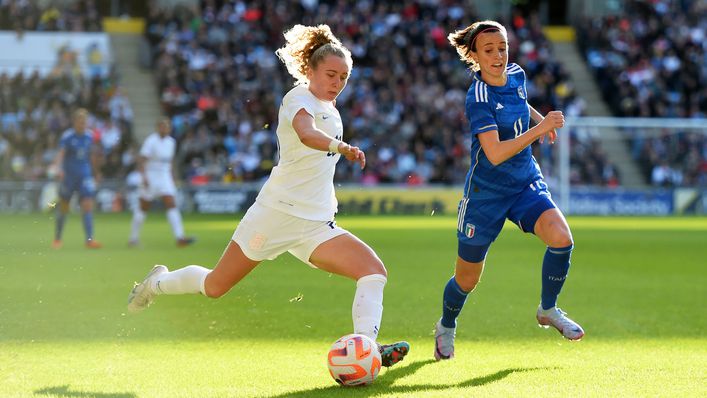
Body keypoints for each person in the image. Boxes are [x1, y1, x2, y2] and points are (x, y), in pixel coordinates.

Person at [127, 24, 409, 367]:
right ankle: (156, 283)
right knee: (216, 285)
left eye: (344, 77)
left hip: (316, 222)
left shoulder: (331, 108)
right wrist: (340, 146)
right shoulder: (297, 98)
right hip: (276, 214)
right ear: (309, 71)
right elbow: (306, 134)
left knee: (373, 271)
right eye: (331, 75)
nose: (337, 83)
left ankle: (367, 350)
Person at [434, 20, 584, 361]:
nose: (498, 55)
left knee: (561, 238)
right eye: (489, 50)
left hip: (524, 183)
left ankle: (548, 308)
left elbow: (518, 102)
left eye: (502, 48)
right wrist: (541, 129)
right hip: (486, 195)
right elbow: (496, 153)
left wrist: (536, 119)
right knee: (467, 279)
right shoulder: (478, 96)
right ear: (474, 55)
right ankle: (446, 324)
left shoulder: (516, 74)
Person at [129, 118, 195, 247]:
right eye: (162, 126)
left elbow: (169, 163)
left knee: (171, 203)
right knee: (143, 206)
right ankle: (133, 238)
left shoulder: (171, 142)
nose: (164, 129)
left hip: (164, 176)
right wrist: (144, 177)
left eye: (167, 126)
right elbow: (142, 160)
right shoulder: (151, 141)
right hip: (151, 175)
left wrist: (172, 177)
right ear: (157, 128)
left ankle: (180, 237)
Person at [50, 108, 102, 249]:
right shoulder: (67, 137)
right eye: (80, 121)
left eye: (84, 122)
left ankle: (89, 240)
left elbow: (92, 156)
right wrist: (57, 168)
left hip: (84, 176)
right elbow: (61, 153)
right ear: (74, 122)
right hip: (69, 177)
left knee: (87, 205)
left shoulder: (89, 136)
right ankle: (57, 239)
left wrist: (96, 172)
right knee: (64, 207)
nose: (82, 124)